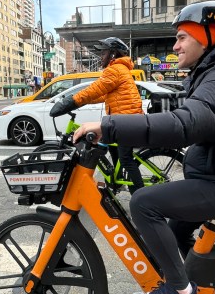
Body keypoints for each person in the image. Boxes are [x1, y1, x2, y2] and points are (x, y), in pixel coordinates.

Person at [73, 0, 215, 294]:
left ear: (208, 36)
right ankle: (195, 284)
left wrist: (108, 127)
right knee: (177, 228)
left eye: (183, 36)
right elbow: (189, 113)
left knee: (142, 202)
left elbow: (186, 124)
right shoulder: (214, 71)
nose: (176, 44)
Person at [50, 37, 145, 194]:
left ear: (113, 54)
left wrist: (71, 101)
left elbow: (95, 89)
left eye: (104, 52)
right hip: (122, 119)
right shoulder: (120, 69)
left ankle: (141, 195)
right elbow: (102, 95)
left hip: (126, 121)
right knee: (110, 147)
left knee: (126, 159)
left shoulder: (115, 70)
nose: (101, 56)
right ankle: (116, 181)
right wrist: (84, 102)